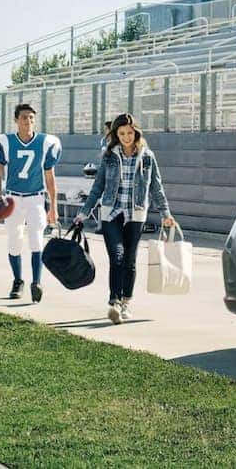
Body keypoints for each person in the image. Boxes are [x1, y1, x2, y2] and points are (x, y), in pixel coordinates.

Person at [75, 113, 175, 325]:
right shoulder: (109, 155)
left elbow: (156, 187)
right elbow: (98, 187)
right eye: (121, 134)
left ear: (136, 133)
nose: (126, 137)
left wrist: (166, 213)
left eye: (129, 133)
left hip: (135, 214)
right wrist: (84, 212)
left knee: (129, 260)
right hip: (111, 213)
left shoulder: (147, 157)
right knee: (117, 257)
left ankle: (126, 302)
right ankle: (114, 302)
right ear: (116, 134)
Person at [0, 103, 62, 303]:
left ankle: (36, 283)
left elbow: (50, 177)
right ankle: (18, 281)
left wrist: (54, 206)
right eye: (24, 117)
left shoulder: (46, 142)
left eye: (31, 117)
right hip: (13, 198)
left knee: (36, 240)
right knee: (14, 242)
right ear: (16, 120)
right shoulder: (4, 142)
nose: (28, 121)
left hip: (36, 198)